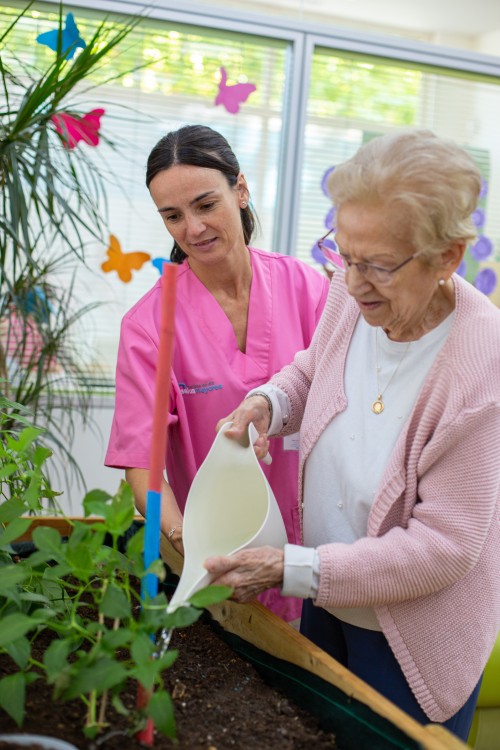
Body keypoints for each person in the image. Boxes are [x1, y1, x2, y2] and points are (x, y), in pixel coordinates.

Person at [204, 129, 500, 740]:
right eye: (343, 254)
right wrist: (269, 402)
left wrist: (294, 568)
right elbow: (316, 368)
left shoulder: (482, 365)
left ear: (447, 257)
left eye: (380, 265)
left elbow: (445, 548)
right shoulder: (351, 288)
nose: (355, 282)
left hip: (411, 636)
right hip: (329, 595)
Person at [105, 124, 330, 623]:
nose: (193, 228)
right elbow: (142, 464)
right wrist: (193, 540)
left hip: (318, 556)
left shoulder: (307, 289)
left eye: (205, 205)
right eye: (173, 215)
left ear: (241, 191)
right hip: (220, 565)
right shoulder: (149, 326)